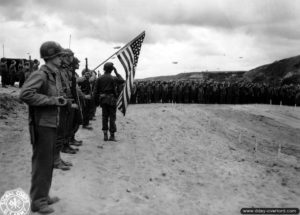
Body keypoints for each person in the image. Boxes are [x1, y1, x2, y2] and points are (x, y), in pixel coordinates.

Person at [19, 41, 67, 214]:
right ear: (51, 57)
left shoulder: (53, 74)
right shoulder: (41, 74)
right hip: (42, 125)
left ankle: (43, 196)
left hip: (51, 123)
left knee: (47, 163)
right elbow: (25, 94)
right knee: (42, 163)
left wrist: (59, 100)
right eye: (59, 56)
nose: (62, 58)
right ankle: (37, 201)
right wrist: (53, 101)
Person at [94, 62, 125, 141]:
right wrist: (116, 72)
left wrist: (96, 102)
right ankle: (112, 135)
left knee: (104, 117)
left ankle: (105, 135)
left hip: (103, 100)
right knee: (112, 117)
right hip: (111, 100)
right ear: (111, 69)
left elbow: (95, 91)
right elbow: (122, 80)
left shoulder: (99, 78)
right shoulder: (113, 78)